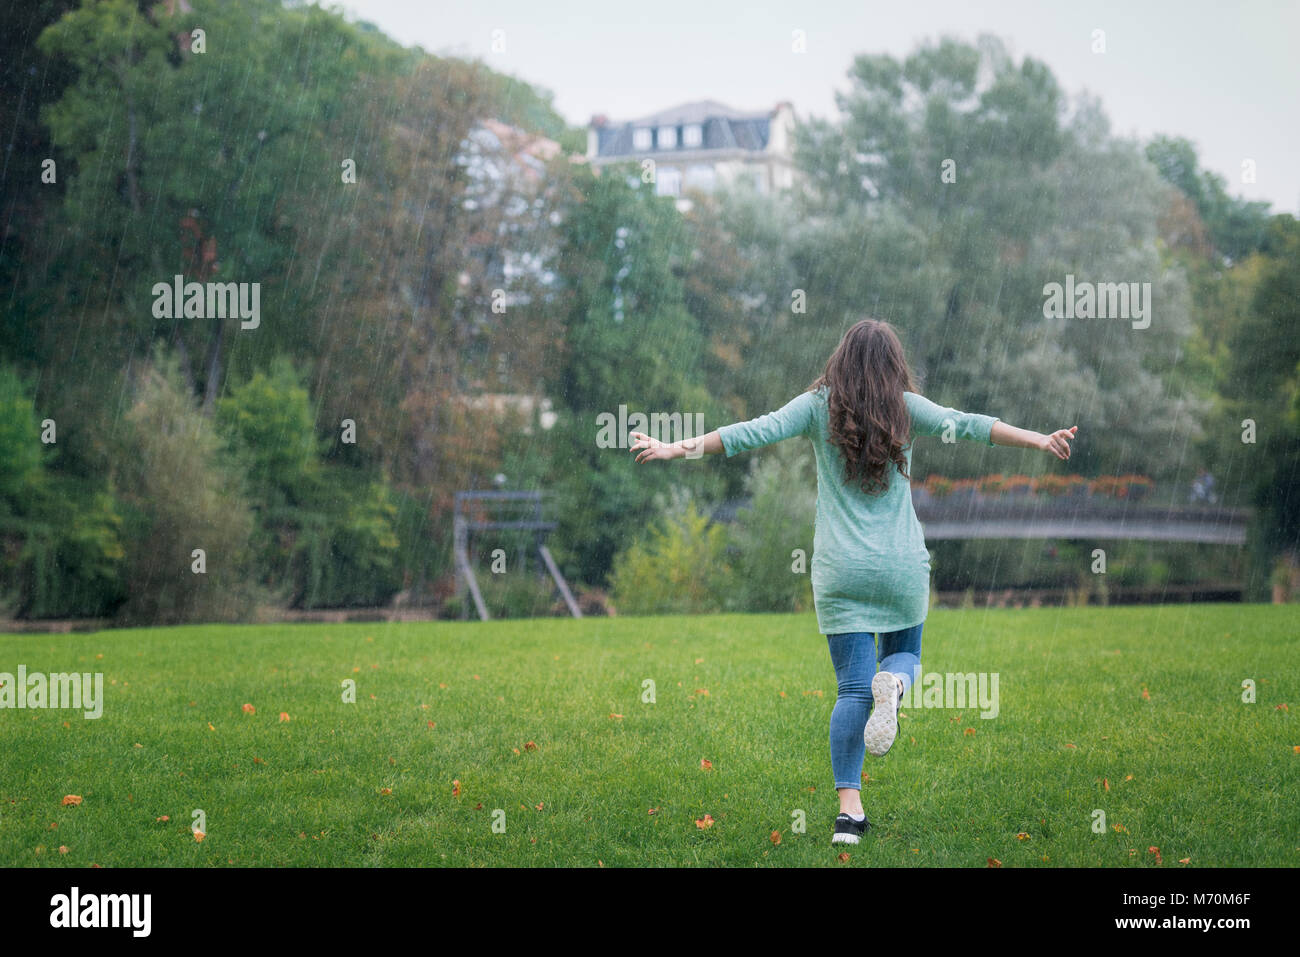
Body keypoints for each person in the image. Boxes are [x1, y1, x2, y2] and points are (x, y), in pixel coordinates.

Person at [630, 318, 1076, 847]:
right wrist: (1039, 439)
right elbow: (971, 424)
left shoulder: (817, 407)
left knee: (850, 689)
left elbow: (750, 432)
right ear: (894, 365)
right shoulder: (906, 409)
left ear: (840, 359)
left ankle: (848, 815)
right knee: (903, 657)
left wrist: (673, 448)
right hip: (900, 568)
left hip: (842, 573)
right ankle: (899, 685)